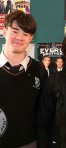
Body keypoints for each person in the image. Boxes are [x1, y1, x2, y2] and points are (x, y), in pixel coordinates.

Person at [0, 10, 46, 147]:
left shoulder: (39, 70)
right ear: (4, 31)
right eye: (15, 31)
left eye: (25, 34)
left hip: (29, 144)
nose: (19, 37)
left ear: (31, 38)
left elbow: (44, 112)